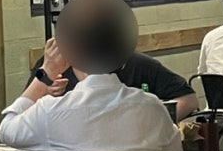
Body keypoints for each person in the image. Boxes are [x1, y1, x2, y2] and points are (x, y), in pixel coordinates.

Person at [1, 0, 184, 151]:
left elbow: (7, 129)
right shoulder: (152, 109)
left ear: (70, 49)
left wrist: (45, 74)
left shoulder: (51, 112)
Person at [29, 38, 198, 120]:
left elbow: (188, 99)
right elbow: (22, 116)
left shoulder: (139, 64)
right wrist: (44, 88)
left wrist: (154, 124)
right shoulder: (51, 65)